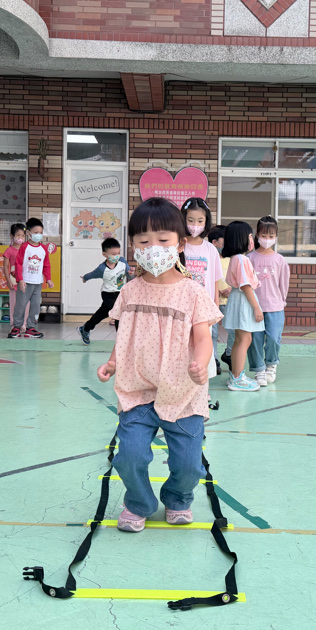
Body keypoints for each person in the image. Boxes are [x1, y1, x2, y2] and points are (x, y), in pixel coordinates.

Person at [97, 197, 222, 532]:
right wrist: (112, 362)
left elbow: (204, 338)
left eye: (163, 240)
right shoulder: (130, 291)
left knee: (189, 464)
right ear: (133, 246)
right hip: (137, 390)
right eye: (143, 241)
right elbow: (125, 333)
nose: (153, 248)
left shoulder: (193, 292)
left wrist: (201, 363)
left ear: (179, 244)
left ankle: (178, 498)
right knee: (129, 456)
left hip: (183, 392)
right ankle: (139, 503)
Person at [221, 220, 265, 392]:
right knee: (244, 339)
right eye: (249, 236)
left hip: (238, 298)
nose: (252, 240)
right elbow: (246, 285)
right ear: (241, 238)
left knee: (241, 339)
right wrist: (256, 307)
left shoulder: (237, 258)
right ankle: (237, 378)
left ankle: (236, 375)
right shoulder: (241, 259)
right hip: (243, 300)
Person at [247, 216, 289, 387]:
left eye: (271, 236)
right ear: (257, 235)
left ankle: (271, 364)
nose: (267, 239)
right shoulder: (250, 258)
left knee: (273, 338)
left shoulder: (279, 259)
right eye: (264, 235)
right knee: (255, 340)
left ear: (276, 236)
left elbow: (283, 283)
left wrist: (281, 301)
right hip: (254, 306)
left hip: (275, 306)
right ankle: (259, 369)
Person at [8, 217, 54, 339]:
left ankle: (31, 328)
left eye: (40, 232)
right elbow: (18, 264)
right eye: (36, 232)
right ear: (28, 233)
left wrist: (48, 279)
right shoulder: (24, 247)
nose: (39, 235)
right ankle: (16, 327)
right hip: (25, 282)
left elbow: (46, 265)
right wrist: (20, 280)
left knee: (35, 306)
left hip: (38, 283)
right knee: (20, 305)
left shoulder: (43, 248)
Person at [78, 237, 128, 345]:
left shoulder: (122, 262)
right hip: (108, 294)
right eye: (113, 254)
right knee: (118, 312)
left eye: (118, 253)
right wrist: (85, 278)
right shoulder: (102, 269)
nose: (117, 256)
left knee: (102, 313)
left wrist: (131, 273)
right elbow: (92, 274)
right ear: (105, 254)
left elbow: (128, 273)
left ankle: (85, 328)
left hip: (119, 293)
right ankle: (121, 340)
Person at [208, 225, 234, 370]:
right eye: (225, 239)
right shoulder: (210, 258)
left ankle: (229, 354)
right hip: (213, 300)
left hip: (230, 301)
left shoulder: (232, 258)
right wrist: (216, 290)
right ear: (215, 242)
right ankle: (214, 360)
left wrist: (231, 289)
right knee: (213, 333)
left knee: (234, 330)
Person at [2, 222, 26, 323]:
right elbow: (5, 266)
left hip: (25, 278)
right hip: (13, 279)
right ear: (12, 236)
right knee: (13, 302)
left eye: (23, 235)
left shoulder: (26, 249)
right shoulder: (9, 251)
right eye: (18, 235)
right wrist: (8, 281)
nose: (21, 238)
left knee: (25, 302)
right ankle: (14, 324)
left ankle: (24, 323)